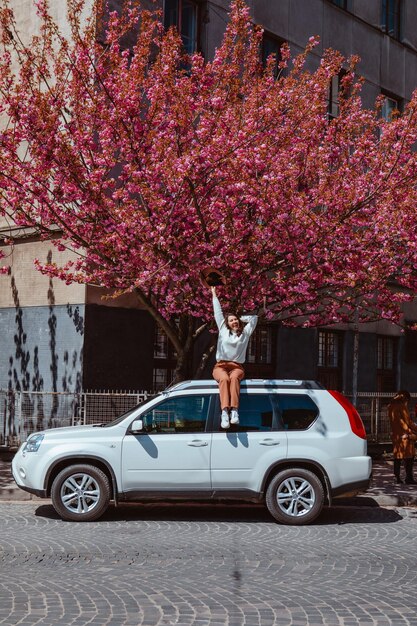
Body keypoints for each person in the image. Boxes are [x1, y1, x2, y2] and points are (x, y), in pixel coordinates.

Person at [211, 285, 258, 429]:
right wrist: (213, 293)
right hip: (220, 366)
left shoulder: (246, 333)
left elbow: (255, 318)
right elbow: (217, 312)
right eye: (231, 320)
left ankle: (235, 411)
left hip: (237, 367)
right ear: (227, 323)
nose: (234, 322)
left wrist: (240, 317)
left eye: (235, 320)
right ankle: (225, 412)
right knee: (224, 379)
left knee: (234, 378)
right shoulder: (223, 330)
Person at [388, 390, 417, 485]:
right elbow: (408, 422)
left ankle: (396, 477)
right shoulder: (402, 407)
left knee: (397, 457)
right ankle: (409, 478)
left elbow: (396, 421)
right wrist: (415, 429)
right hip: (405, 436)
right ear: (406, 399)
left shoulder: (390, 406)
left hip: (396, 435)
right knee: (409, 457)